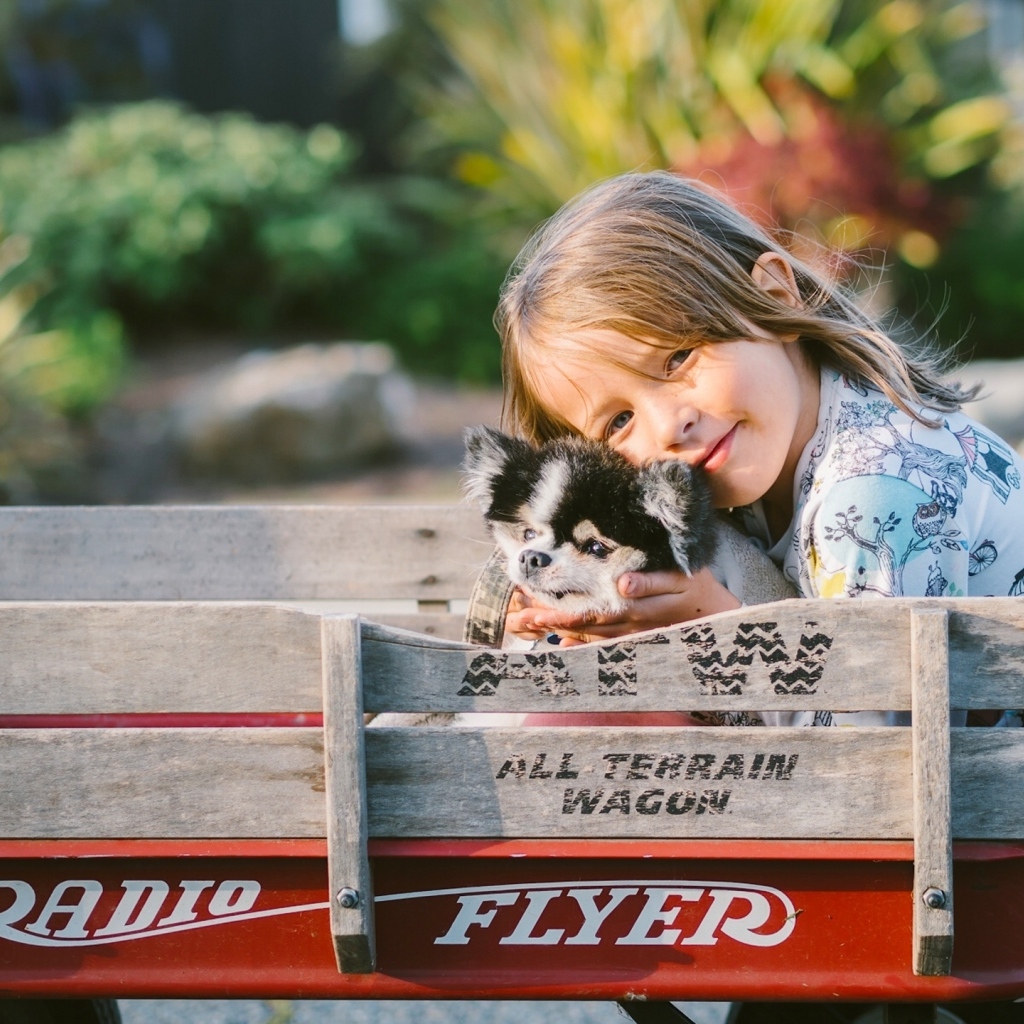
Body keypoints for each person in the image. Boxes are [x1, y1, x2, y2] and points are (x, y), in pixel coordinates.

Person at [496, 170, 1024, 728]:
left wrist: (716, 626)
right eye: (619, 421)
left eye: (679, 359)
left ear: (772, 294)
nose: (669, 427)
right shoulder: (746, 462)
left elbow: (872, 762)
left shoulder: (873, 495)